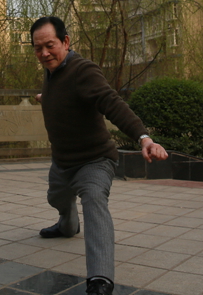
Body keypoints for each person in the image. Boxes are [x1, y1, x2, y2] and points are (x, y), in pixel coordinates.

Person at [30, 16, 168, 295]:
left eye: (50, 45)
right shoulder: (51, 71)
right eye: (38, 48)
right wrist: (47, 99)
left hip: (94, 159)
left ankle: (100, 279)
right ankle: (67, 225)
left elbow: (111, 102)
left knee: (93, 200)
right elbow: (66, 94)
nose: (44, 53)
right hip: (62, 162)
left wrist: (144, 137)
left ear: (66, 42)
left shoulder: (83, 70)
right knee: (56, 198)